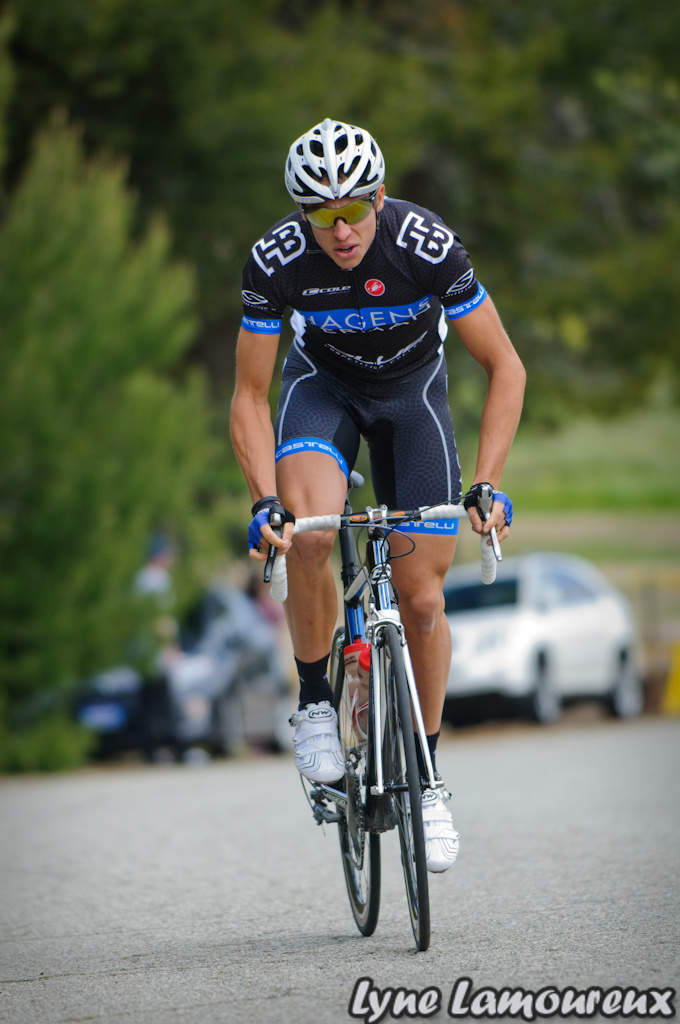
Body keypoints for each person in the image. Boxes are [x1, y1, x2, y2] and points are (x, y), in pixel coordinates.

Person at [230, 118, 525, 873]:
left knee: (423, 602)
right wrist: (263, 500)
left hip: (411, 399)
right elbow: (251, 396)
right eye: (321, 214)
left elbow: (506, 367)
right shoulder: (276, 260)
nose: (340, 230)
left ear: (381, 198)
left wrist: (488, 481)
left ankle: (427, 778)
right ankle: (314, 702)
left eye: (355, 209)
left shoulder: (427, 247)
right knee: (311, 533)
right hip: (321, 393)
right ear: (302, 214)